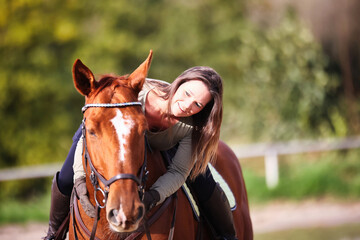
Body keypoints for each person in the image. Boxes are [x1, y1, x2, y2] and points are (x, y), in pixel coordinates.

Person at [44, 66, 237, 240]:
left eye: (198, 104)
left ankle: (227, 235)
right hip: (113, 130)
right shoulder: (138, 93)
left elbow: (178, 171)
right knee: (66, 177)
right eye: (187, 93)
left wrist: (153, 196)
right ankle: (53, 233)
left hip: (169, 144)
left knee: (203, 181)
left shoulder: (192, 125)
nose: (187, 105)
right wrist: (79, 181)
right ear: (179, 83)